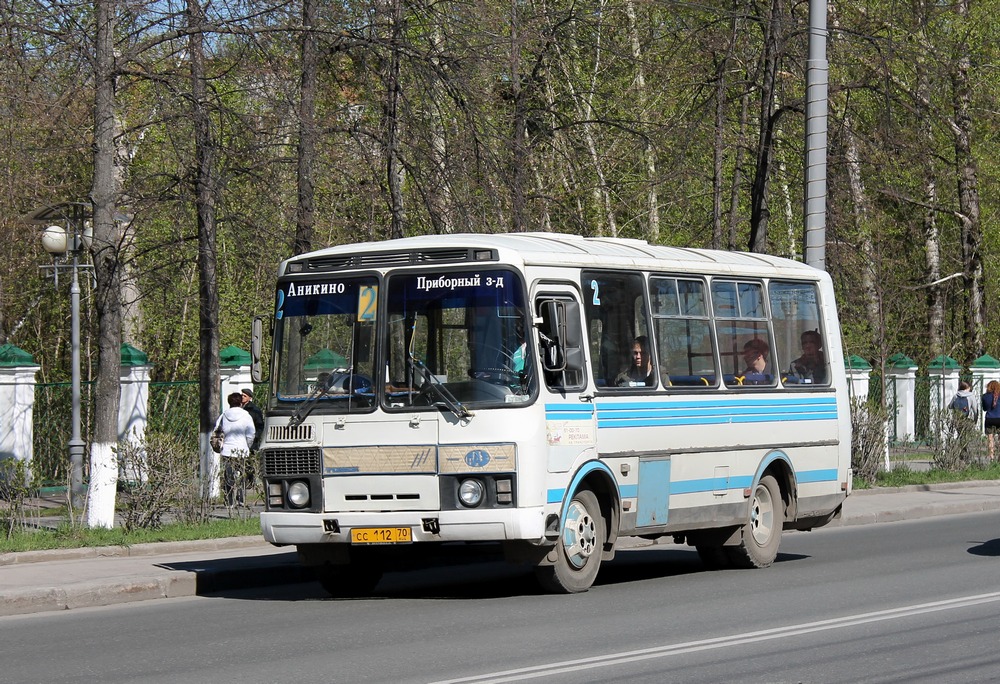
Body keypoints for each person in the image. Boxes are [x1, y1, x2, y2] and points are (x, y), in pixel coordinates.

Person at [214, 392, 257, 506]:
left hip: (227, 450)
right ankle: (241, 499)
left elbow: (217, 430)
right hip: (242, 450)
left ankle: (229, 501)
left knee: (228, 476)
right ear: (240, 402)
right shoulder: (246, 415)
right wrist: (247, 445)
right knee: (242, 475)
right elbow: (251, 433)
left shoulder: (224, 415)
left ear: (229, 402)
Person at [982, 381, 1000, 461]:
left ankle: (991, 457)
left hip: (989, 418)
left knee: (990, 438)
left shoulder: (985, 396)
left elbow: (985, 408)